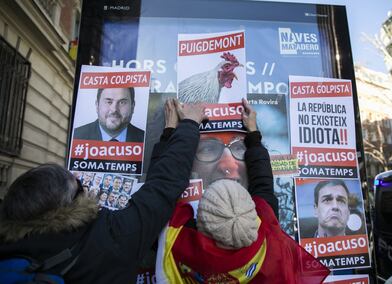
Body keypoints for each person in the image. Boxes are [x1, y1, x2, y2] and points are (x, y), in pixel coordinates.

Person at [0, 98, 207, 284]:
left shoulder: (9, 249)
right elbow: (162, 186)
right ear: (66, 206)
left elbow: (157, 188)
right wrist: (189, 125)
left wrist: (169, 133)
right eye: (78, 185)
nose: (82, 179)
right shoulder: (108, 240)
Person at [156, 99, 329, 283]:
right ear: (252, 214)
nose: (227, 166)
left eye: (239, 148)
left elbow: (158, 190)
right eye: (207, 149)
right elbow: (263, 186)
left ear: (200, 222)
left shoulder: (171, 241)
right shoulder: (269, 242)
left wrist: (171, 132)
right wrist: (253, 133)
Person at [73, 87, 144, 142]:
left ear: (132, 106)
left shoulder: (145, 139)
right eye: (109, 102)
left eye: (122, 102)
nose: (114, 109)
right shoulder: (76, 136)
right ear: (97, 105)